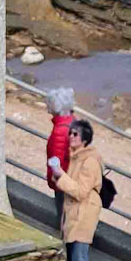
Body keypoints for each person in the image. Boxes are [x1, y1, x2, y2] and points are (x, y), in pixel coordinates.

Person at [49, 118, 103, 261]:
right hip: (77, 213)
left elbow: (80, 192)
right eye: (70, 133)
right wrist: (59, 176)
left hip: (83, 214)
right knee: (74, 255)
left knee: (79, 257)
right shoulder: (76, 157)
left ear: (84, 139)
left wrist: (60, 176)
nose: (71, 136)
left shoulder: (89, 162)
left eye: (75, 134)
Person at [44, 85, 75, 231]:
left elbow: (56, 159)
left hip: (63, 182)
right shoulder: (73, 123)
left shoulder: (59, 131)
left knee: (64, 217)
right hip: (74, 179)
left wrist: (54, 179)